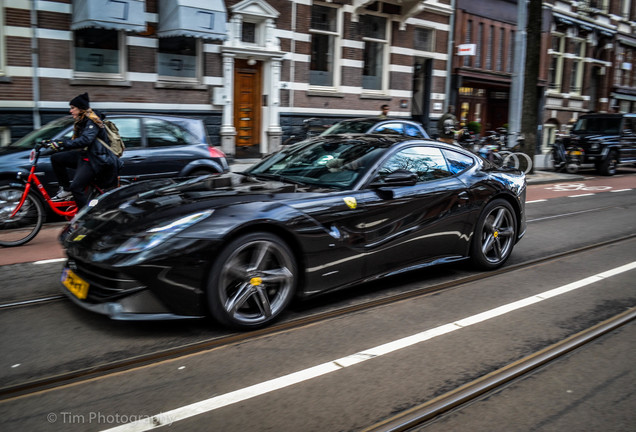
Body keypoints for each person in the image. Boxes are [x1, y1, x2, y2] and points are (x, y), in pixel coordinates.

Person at [49, 92, 121, 208]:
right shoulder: (81, 122)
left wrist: (63, 143)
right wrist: (53, 143)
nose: (70, 111)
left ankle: (83, 217)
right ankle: (66, 189)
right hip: (86, 155)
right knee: (56, 158)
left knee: (76, 187)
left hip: (95, 159)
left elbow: (86, 140)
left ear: (81, 109)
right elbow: (76, 141)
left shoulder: (93, 121)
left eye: (73, 108)